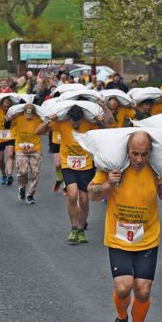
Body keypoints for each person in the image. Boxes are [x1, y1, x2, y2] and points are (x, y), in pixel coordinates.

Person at [88, 131, 162, 322]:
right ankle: (120, 319)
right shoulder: (112, 166)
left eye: (144, 154)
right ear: (127, 151)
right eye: (134, 153)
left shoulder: (159, 168)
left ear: (150, 152)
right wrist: (108, 184)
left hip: (147, 237)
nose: (138, 159)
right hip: (118, 237)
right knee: (123, 288)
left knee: (143, 291)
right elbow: (92, 194)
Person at [36, 105, 112, 244]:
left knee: (84, 199)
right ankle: (73, 228)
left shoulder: (90, 123)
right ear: (69, 118)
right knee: (72, 195)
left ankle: (81, 230)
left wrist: (101, 121)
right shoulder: (61, 123)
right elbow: (38, 131)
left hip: (86, 166)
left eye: (78, 123)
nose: (76, 125)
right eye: (73, 123)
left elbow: (108, 130)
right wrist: (48, 120)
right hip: (68, 165)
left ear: (82, 119)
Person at [6, 104, 44, 203]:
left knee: (34, 173)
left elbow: (46, 128)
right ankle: (22, 187)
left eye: (30, 114)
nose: (28, 117)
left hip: (35, 149)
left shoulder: (39, 118)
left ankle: (30, 195)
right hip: (20, 148)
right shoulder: (17, 117)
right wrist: (8, 119)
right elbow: (7, 126)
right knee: (23, 172)